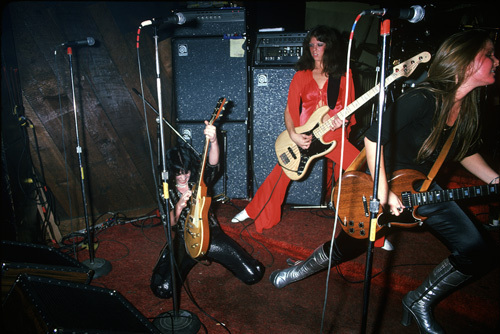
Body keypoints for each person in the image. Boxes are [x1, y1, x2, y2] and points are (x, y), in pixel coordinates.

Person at [269, 29, 499, 333]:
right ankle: (303, 268)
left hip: (419, 189)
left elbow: (464, 151)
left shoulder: (468, 108)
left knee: (478, 250)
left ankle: (419, 301)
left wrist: (495, 179)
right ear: (467, 61)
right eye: (490, 54)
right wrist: (383, 191)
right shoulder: (423, 98)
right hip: (376, 184)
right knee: (351, 245)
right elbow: (372, 138)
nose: (497, 60)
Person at [232, 25, 360, 232]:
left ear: (331, 46)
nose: (314, 49)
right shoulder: (302, 75)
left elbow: (349, 108)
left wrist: (342, 121)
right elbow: (289, 110)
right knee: (280, 173)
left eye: (319, 44)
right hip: (304, 136)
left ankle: (374, 229)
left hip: (334, 136)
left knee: (361, 173)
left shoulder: (344, 75)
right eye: (311, 45)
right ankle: (253, 210)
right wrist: (293, 134)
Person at [151, 121, 265, 299]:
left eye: (186, 171)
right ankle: (173, 254)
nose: (183, 176)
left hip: (211, 234)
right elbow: (170, 222)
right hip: (183, 238)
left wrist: (213, 141)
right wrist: (180, 205)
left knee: (253, 274)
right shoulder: (165, 188)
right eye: (179, 173)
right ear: (171, 172)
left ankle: (215, 254)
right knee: (163, 288)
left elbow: (212, 165)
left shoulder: (197, 179)